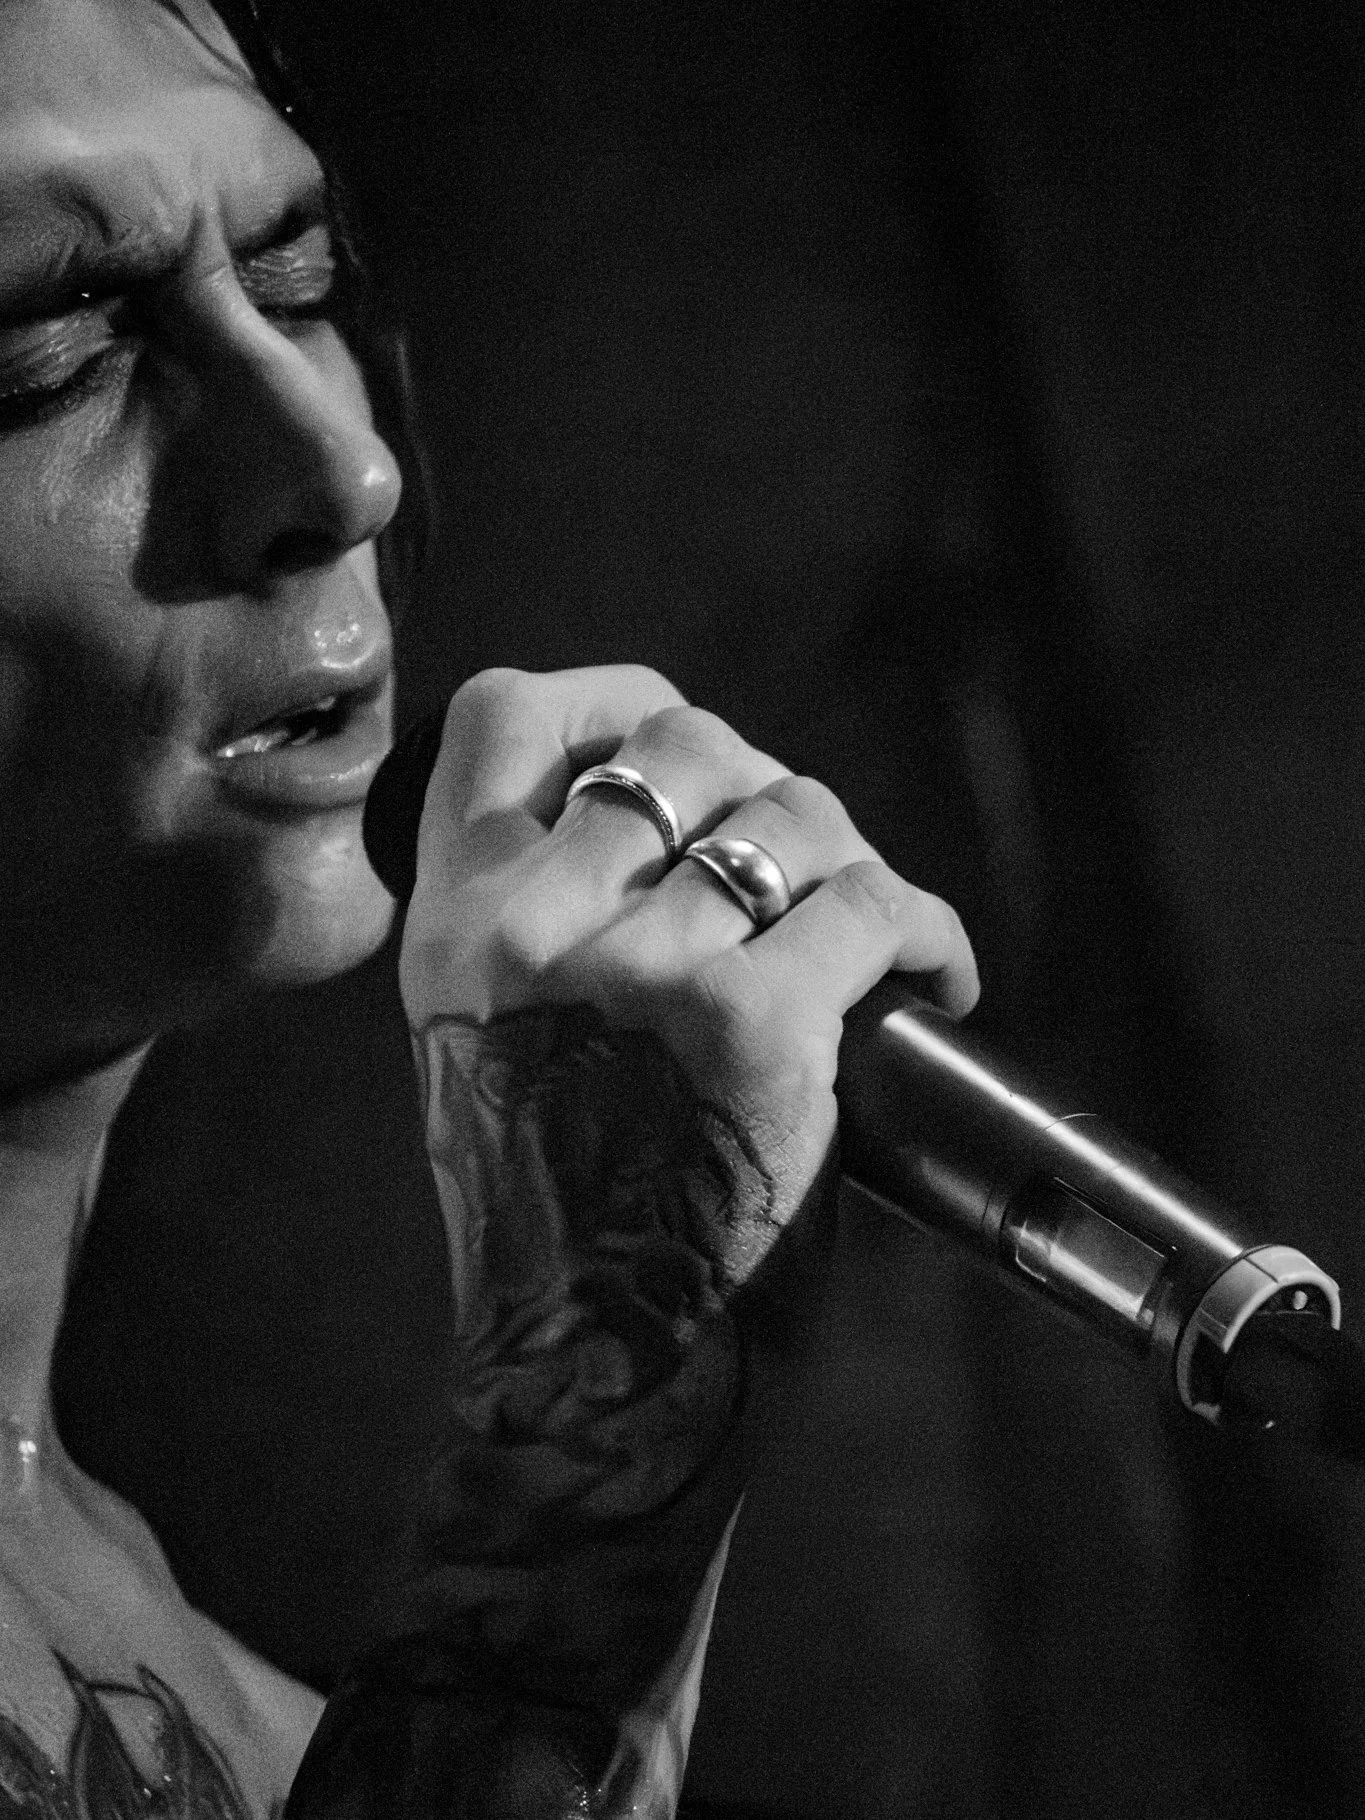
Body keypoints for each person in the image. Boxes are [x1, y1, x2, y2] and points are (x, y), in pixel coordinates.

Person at [0, 0, 978, 1813]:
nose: (341, 472)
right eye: (47, 357)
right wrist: (568, 1498)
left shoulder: (259, 1715)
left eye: (295, 284)